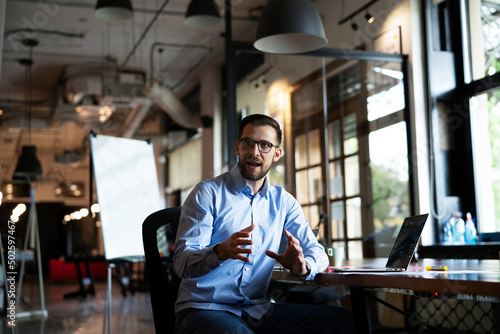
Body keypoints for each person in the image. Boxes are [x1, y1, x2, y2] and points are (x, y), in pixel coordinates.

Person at [173, 114, 355, 334]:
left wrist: (302, 266)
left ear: (276, 154)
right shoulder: (207, 193)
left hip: (257, 310)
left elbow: (318, 252)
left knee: (343, 321)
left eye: (265, 145)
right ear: (237, 147)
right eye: (248, 143)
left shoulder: (283, 201)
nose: (255, 152)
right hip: (204, 309)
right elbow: (181, 262)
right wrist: (219, 252)